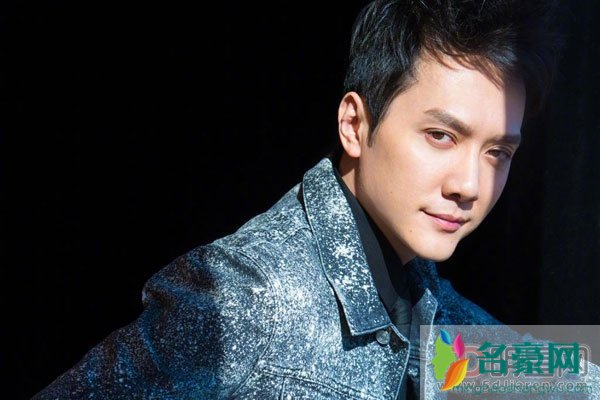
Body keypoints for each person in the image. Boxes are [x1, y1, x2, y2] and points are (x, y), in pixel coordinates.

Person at [33, 0, 564, 398]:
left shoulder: (425, 301)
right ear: (354, 125)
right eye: (441, 136)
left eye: (497, 152)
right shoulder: (247, 295)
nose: (469, 184)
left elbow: (559, 378)